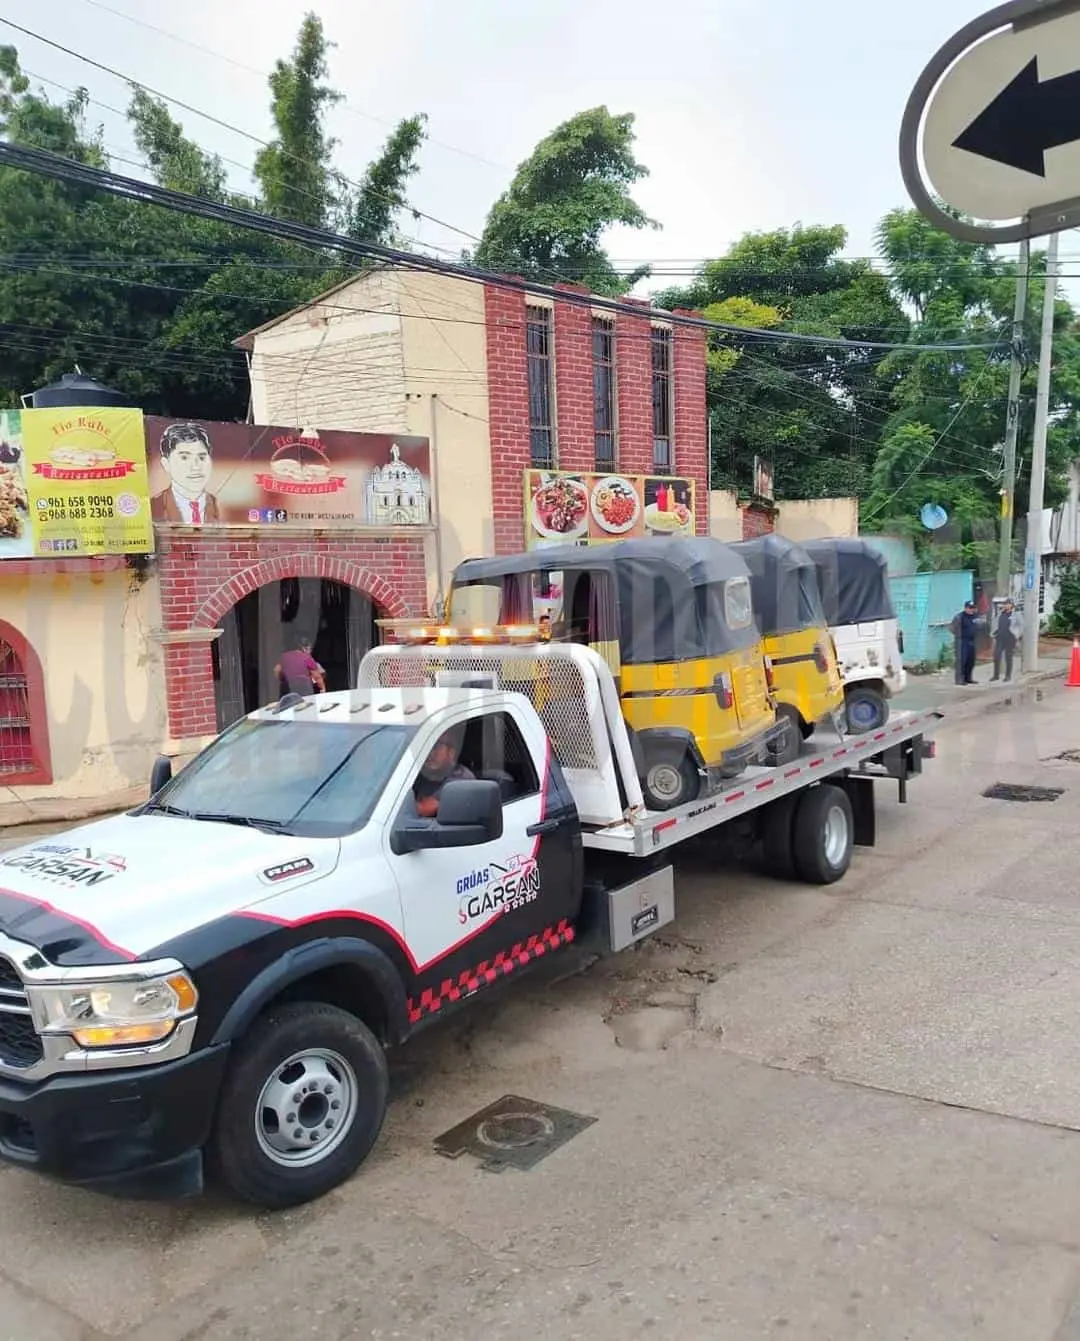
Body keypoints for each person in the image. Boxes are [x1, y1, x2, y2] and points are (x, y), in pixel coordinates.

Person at [151, 422, 219, 524]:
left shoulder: (220, 505)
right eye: (184, 458)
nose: (196, 467)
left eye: (202, 457)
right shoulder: (153, 506)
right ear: (166, 464)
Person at [412, 728, 474, 818]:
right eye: (426, 747)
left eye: (435, 747)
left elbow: (425, 808)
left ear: (451, 752)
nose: (429, 753)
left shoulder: (462, 779)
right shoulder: (418, 775)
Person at [991, 599, 1021, 682]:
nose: (1006, 605)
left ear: (1012, 605)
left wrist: (1017, 634)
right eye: (1005, 604)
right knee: (996, 656)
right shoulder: (1001, 613)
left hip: (1010, 638)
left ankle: (1008, 676)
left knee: (1008, 657)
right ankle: (996, 675)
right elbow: (995, 623)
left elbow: (1021, 625)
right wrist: (994, 632)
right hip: (1000, 637)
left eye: (1008, 604)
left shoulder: (1016, 614)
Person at [951, 600, 978, 685]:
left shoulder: (974, 617)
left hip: (971, 641)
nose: (971, 610)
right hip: (962, 641)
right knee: (962, 661)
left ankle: (968, 678)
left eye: (972, 608)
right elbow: (952, 628)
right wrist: (960, 636)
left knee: (971, 661)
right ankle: (959, 679)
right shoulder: (959, 617)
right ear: (965, 608)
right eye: (970, 608)